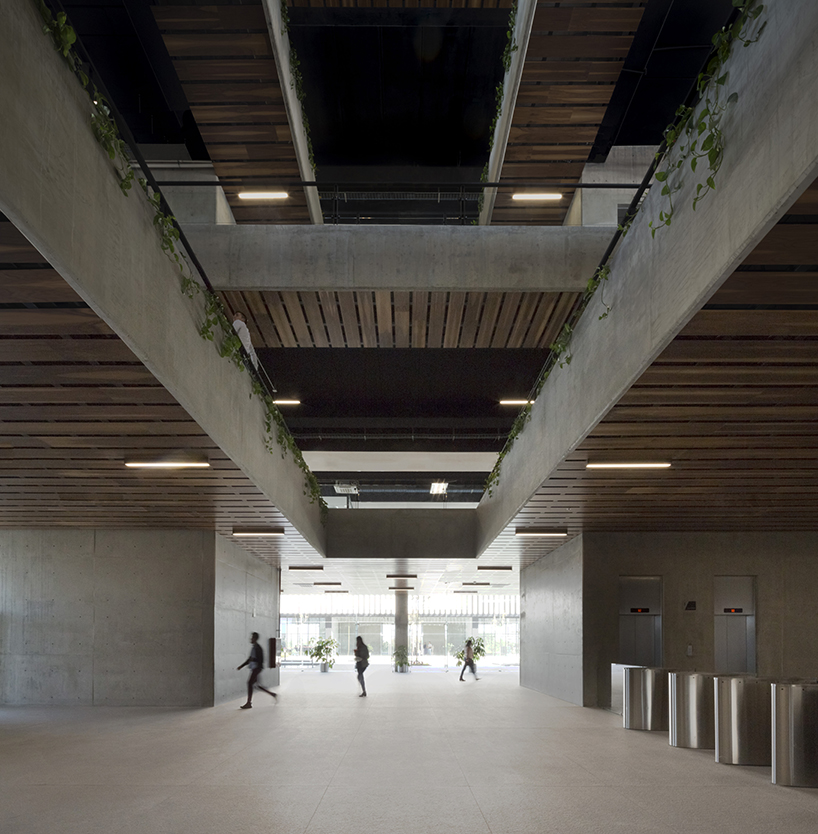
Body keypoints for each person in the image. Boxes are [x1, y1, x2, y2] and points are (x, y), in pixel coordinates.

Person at [237, 632, 276, 708]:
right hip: (255, 668)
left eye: (252, 637)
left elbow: (260, 660)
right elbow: (250, 659)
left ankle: (249, 703)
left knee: (249, 683)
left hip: (257, 668)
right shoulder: (254, 647)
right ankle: (273, 694)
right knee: (257, 686)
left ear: (255, 639)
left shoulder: (258, 648)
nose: (251, 639)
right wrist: (241, 666)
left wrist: (253, 660)